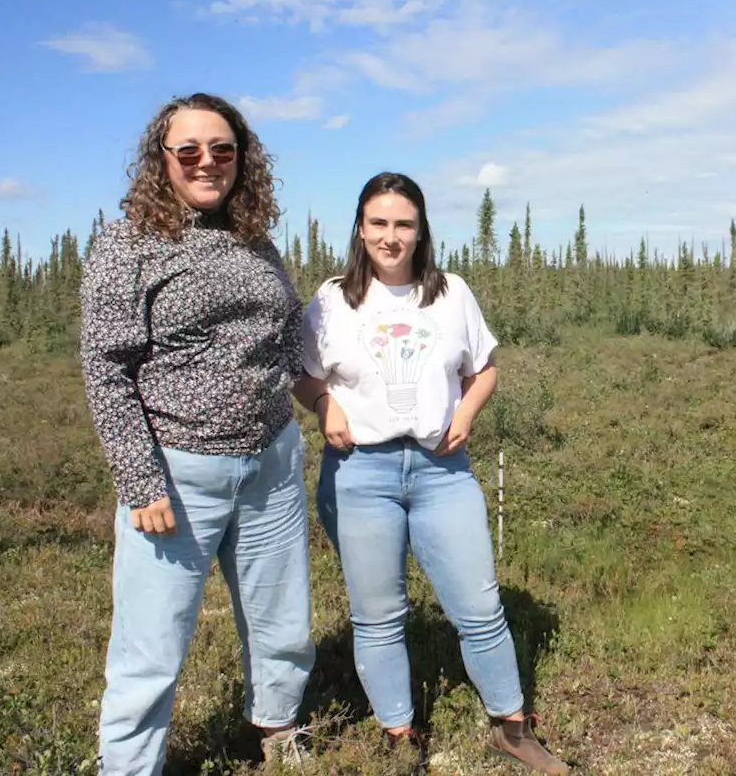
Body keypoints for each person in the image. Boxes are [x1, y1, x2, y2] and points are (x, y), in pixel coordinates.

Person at [297, 172, 569, 774]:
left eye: (404, 225)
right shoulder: (332, 299)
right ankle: (400, 736)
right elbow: (303, 372)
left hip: (441, 469)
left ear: (421, 231)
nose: (391, 237)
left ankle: (513, 727)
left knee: (479, 606)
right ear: (360, 228)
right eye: (379, 224)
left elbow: (485, 368)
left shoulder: (450, 294)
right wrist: (324, 403)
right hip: (359, 472)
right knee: (378, 614)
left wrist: (467, 411)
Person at [79, 92, 315, 773]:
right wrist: (139, 477)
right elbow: (105, 365)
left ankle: (278, 726)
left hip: (270, 461)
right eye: (189, 151)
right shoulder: (130, 242)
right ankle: (129, 764)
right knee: (150, 645)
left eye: (222, 149)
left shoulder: (252, 237)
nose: (206, 162)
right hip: (177, 474)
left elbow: (284, 337)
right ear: (163, 158)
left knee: (282, 621)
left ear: (243, 158)